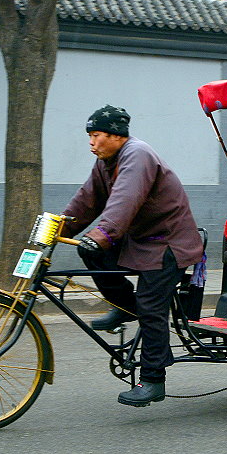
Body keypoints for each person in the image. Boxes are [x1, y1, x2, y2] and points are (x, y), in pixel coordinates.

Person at [60, 105, 204, 407]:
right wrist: (56, 228)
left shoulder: (137, 155)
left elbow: (126, 200)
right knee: (93, 255)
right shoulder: (105, 162)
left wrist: (100, 236)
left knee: (151, 308)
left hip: (168, 243)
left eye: (95, 135)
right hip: (139, 239)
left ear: (115, 135)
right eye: (89, 135)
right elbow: (87, 201)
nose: (90, 142)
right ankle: (125, 306)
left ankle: (153, 380)